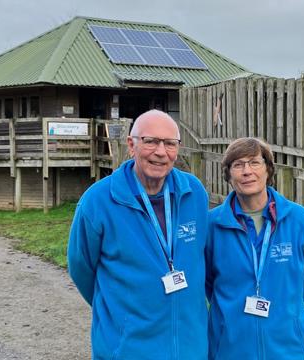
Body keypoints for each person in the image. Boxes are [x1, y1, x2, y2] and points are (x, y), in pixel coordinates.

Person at [68, 110, 208, 360]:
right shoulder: (98, 201)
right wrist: (123, 318)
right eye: (151, 141)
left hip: (191, 349)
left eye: (169, 144)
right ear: (131, 145)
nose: (160, 152)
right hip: (128, 350)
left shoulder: (194, 192)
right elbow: (81, 269)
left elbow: (201, 257)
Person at [205, 137, 304, 360]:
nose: (247, 171)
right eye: (238, 165)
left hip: (288, 348)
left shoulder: (299, 220)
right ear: (228, 175)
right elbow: (208, 284)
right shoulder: (212, 225)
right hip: (230, 349)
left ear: (268, 169)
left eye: (254, 162)